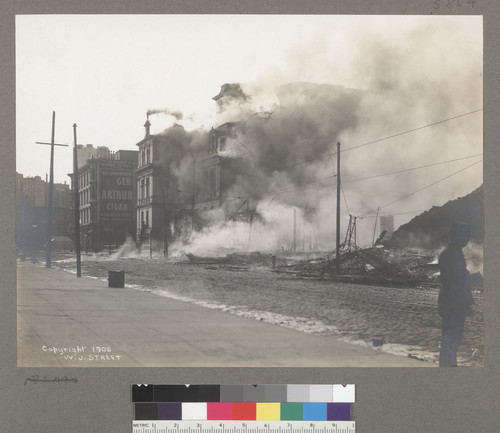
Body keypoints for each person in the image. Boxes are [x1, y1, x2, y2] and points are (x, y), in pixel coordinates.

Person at [437, 222, 474, 367]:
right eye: (463, 235)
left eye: (467, 235)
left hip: (451, 303)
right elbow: (456, 281)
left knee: (450, 339)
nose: (466, 238)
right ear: (454, 235)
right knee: (451, 339)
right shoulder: (453, 254)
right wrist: (471, 278)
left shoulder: (452, 252)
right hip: (453, 304)